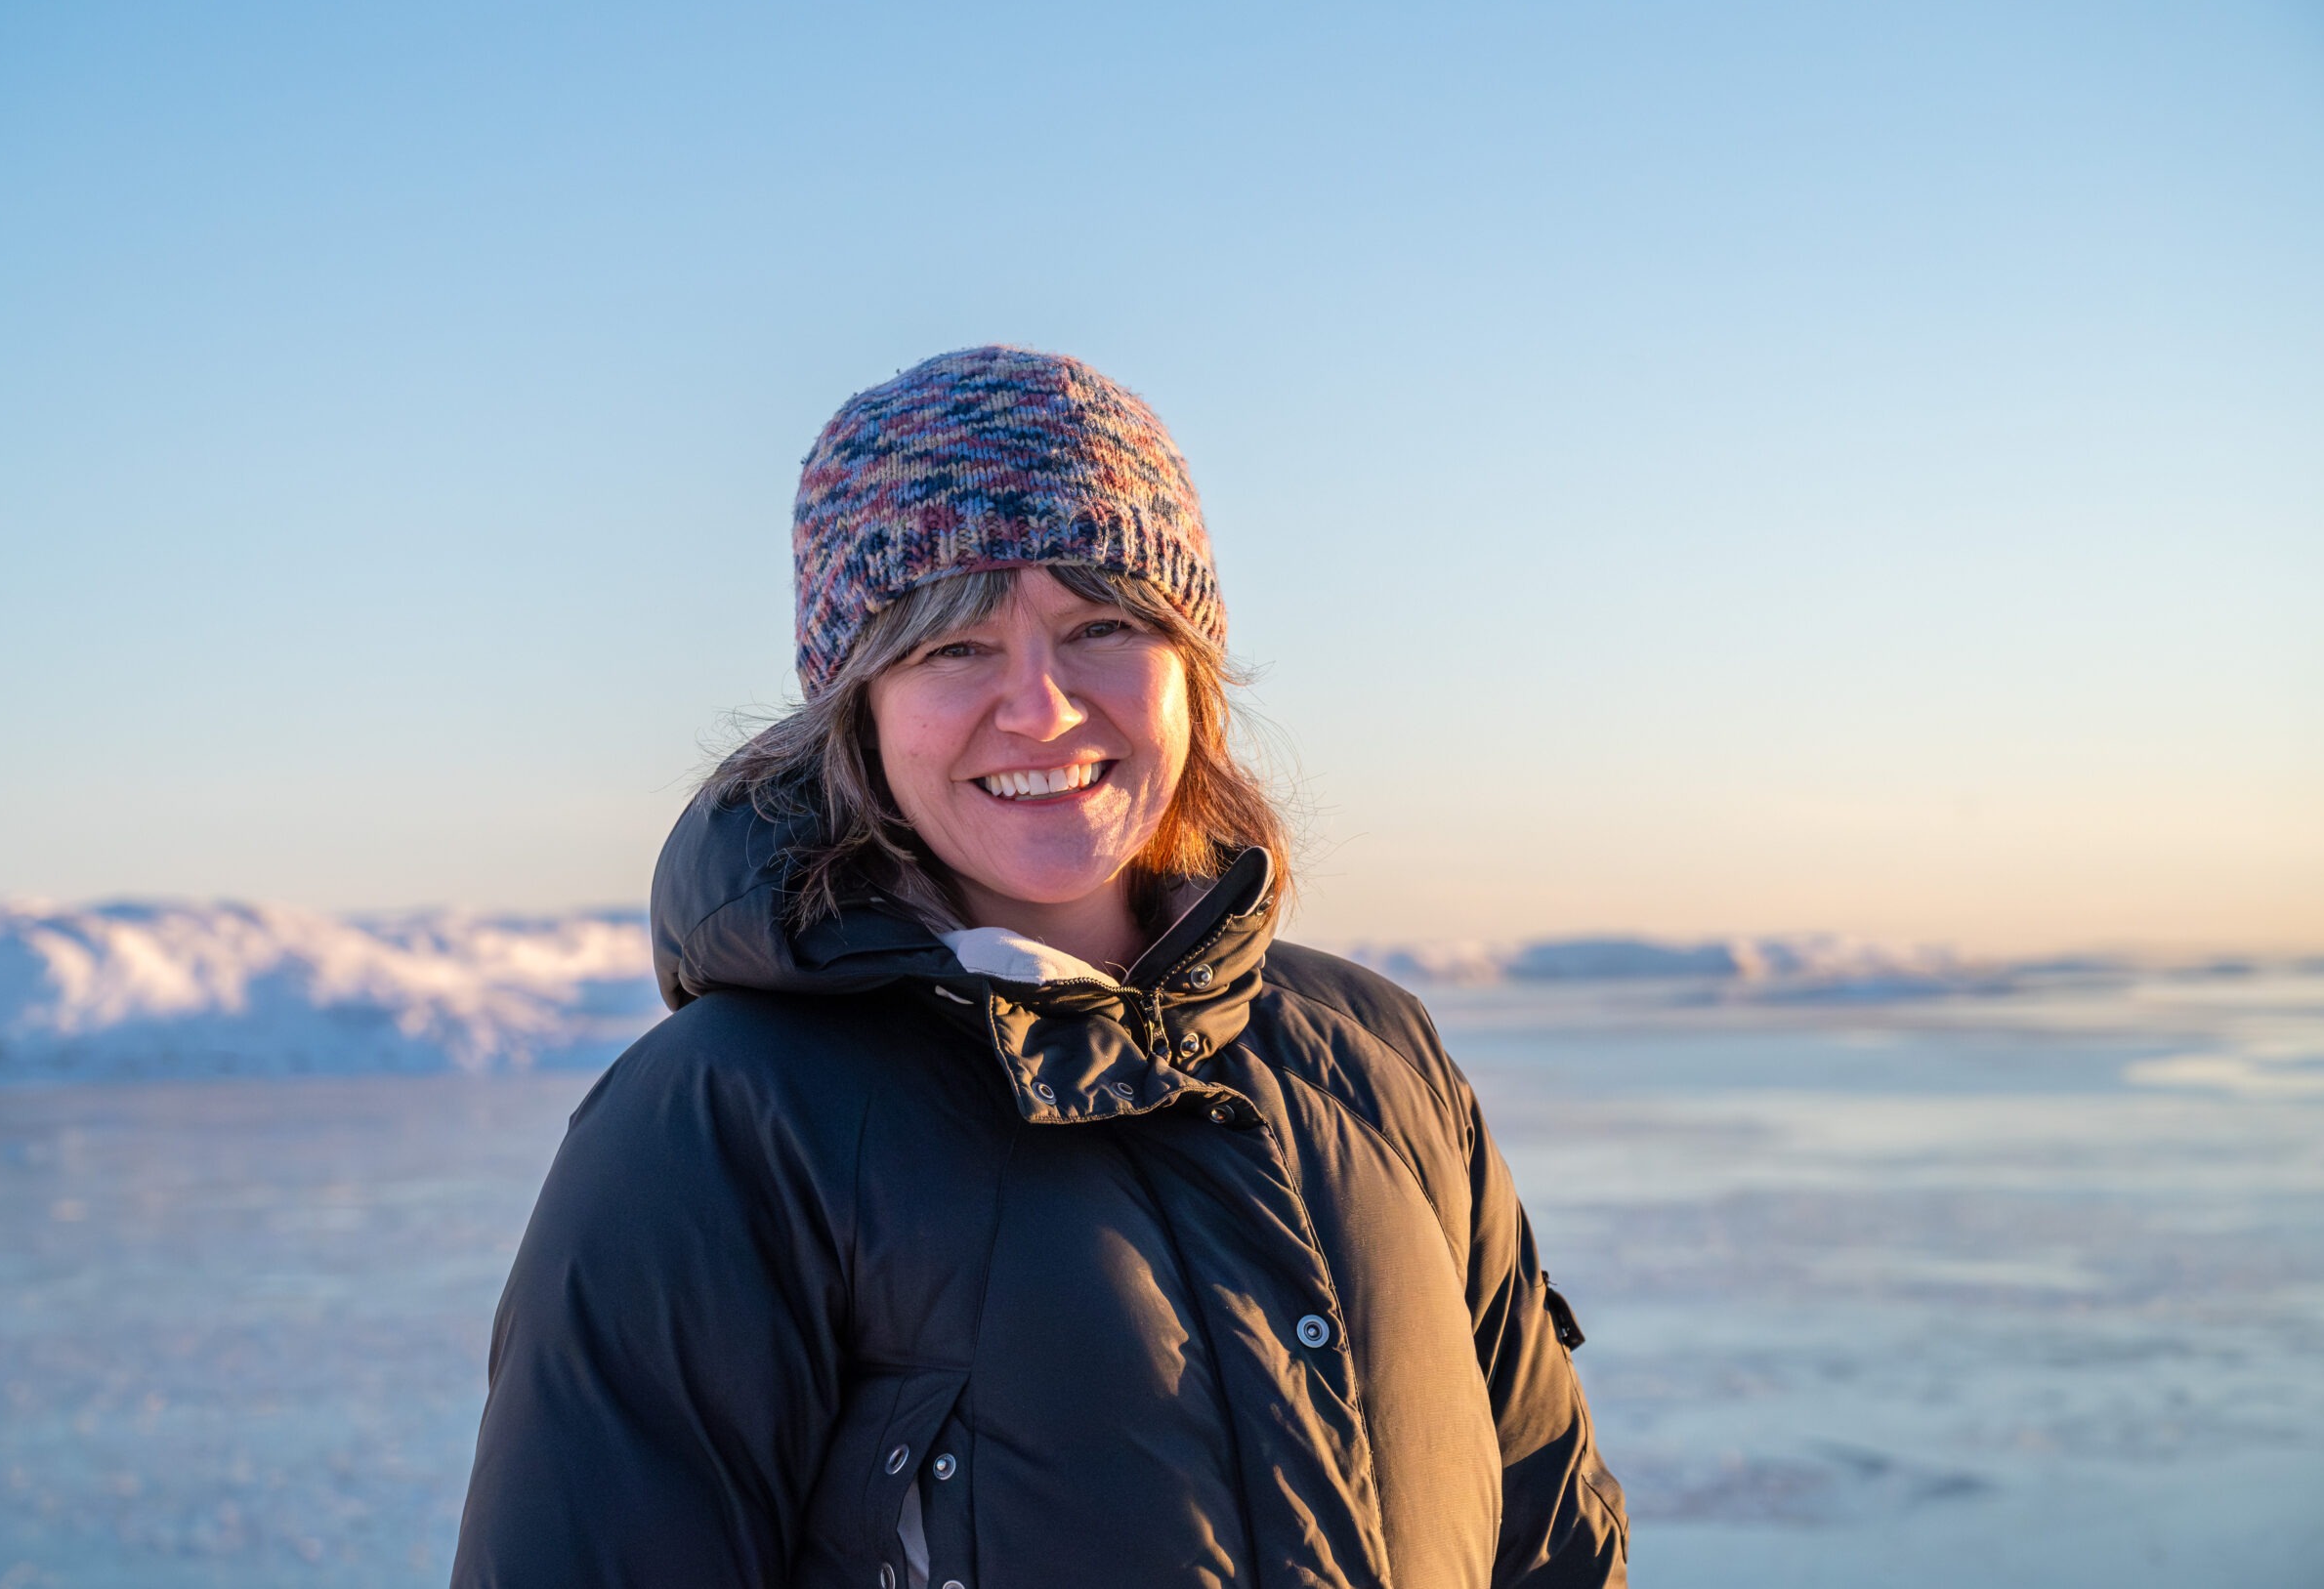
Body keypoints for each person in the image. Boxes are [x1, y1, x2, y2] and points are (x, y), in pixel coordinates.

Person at [451, 347, 1627, 1588]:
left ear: (1192, 672)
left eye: (1102, 625)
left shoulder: (1376, 1058)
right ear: (858, 707)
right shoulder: (722, 1123)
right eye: (952, 645)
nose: (1041, 705)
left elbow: (1553, 1548)